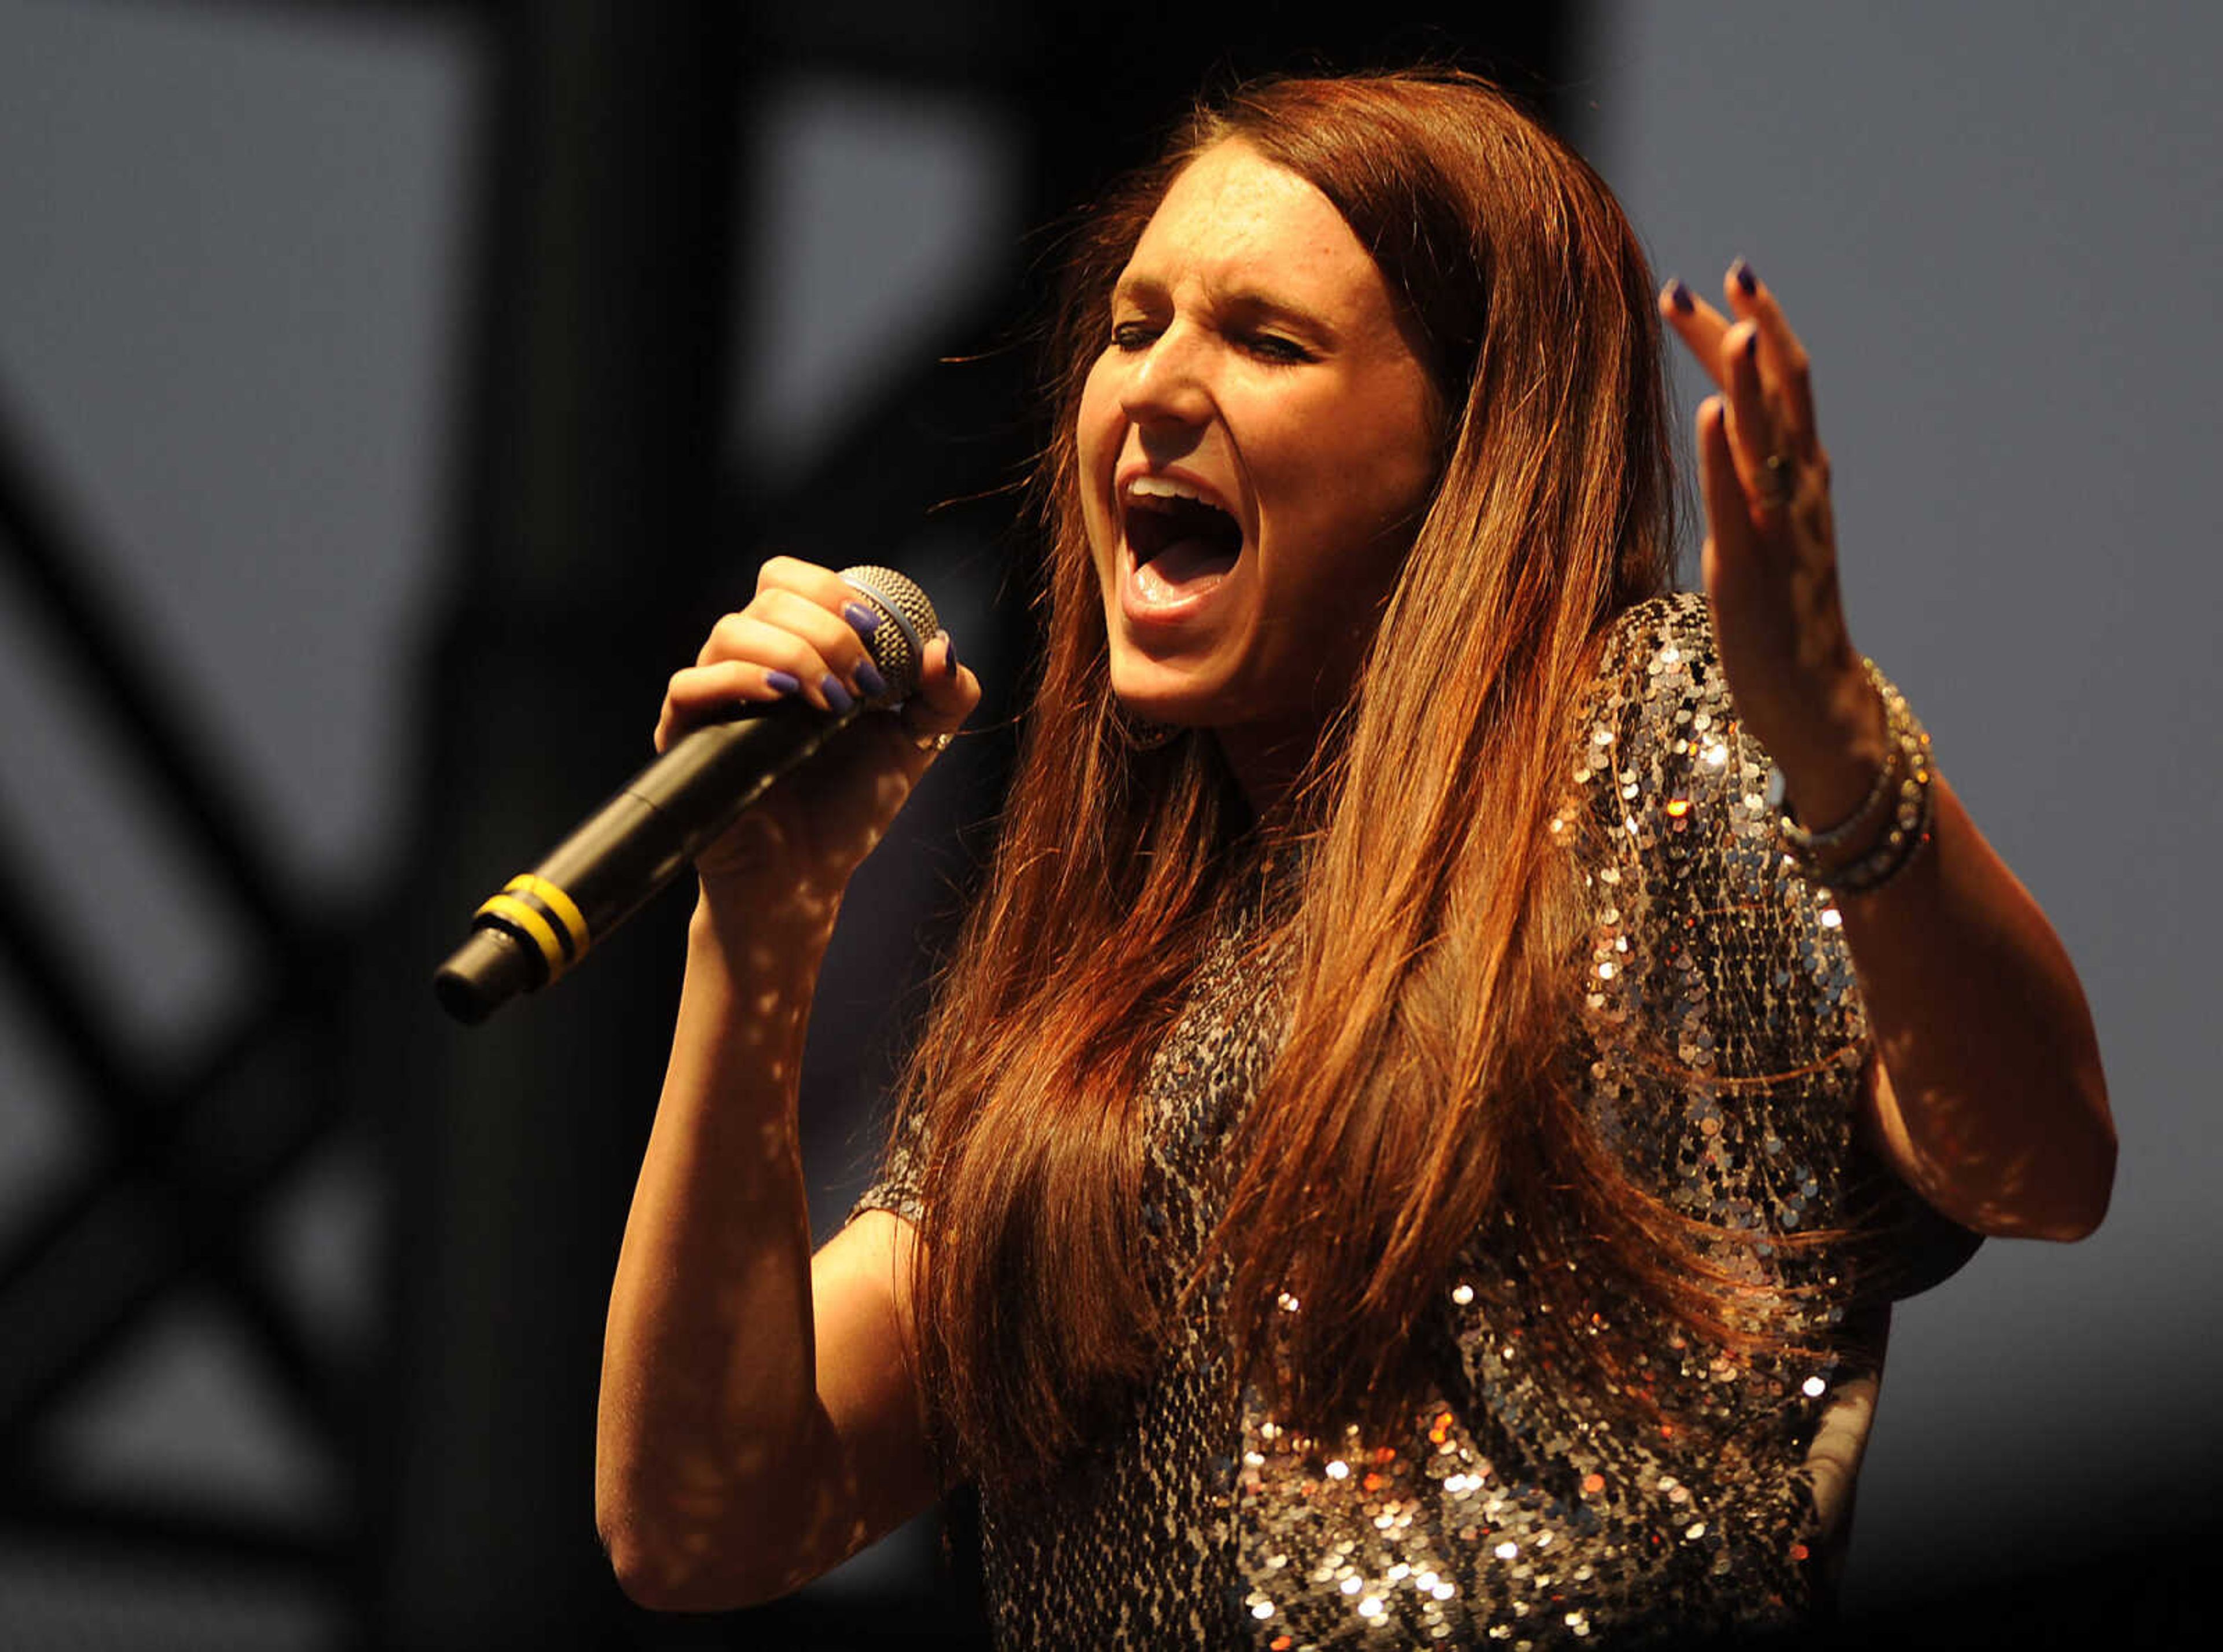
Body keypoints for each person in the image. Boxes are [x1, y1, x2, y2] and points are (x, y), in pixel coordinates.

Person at [594, 70, 2114, 1649]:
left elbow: (2043, 1168)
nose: (1156, 392)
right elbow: (702, 1521)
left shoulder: (1647, 750)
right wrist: (754, 932)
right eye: (1132, 328)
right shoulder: (1087, 1018)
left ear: (1470, 444)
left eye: (1265, 340)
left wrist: (1843, 757)